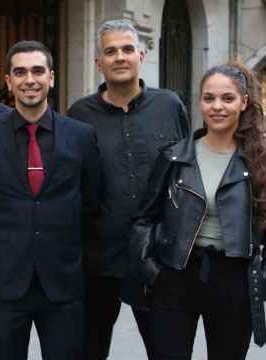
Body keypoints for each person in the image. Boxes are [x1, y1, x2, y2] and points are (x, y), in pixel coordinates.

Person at [67, 19, 190, 359]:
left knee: (167, 352)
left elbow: (186, 173)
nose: (119, 57)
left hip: (156, 258)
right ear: (98, 63)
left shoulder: (169, 106)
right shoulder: (79, 115)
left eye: (126, 49)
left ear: (141, 54)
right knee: (89, 351)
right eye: (110, 51)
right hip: (98, 259)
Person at [0, 40, 101, 359]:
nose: (30, 79)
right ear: (8, 81)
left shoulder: (81, 135)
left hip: (63, 285)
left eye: (38, 71)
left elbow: (92, 204)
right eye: (21, 72)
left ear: (51, 78)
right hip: (4, 285)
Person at [130, 62, 266, 359]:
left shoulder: (259, 160)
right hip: (176, 275)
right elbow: (145, 218)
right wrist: (152, 271)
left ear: (243, 102)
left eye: (227, 98)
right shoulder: (175, 156)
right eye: (209, 98)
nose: (217, 107)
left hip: (233, 279)